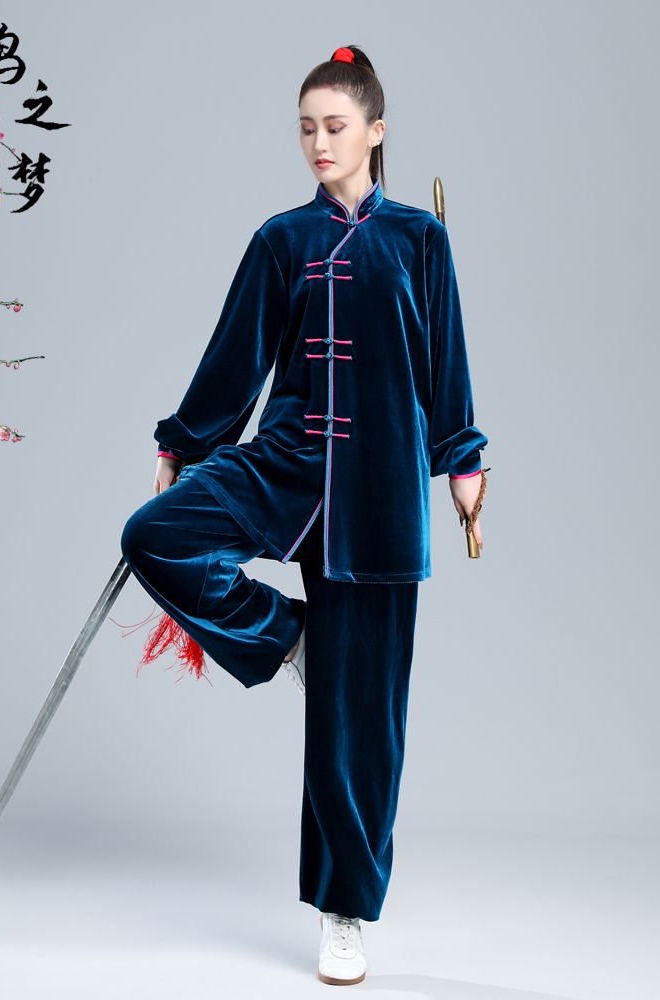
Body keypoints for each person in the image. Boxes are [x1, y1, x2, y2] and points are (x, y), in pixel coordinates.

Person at [121, 45, 488, 987]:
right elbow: (235, 359)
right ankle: (289, 639)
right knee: (155, 536)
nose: (319, 142)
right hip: (287, 463)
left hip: (382, 489)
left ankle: (343, 911)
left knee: (356, 726)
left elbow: (446, 361)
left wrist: (462, 461)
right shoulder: (281, 239)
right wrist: (183, 442)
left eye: (335, 126)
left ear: (375, 130)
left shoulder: (420, 240)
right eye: (306, 128)